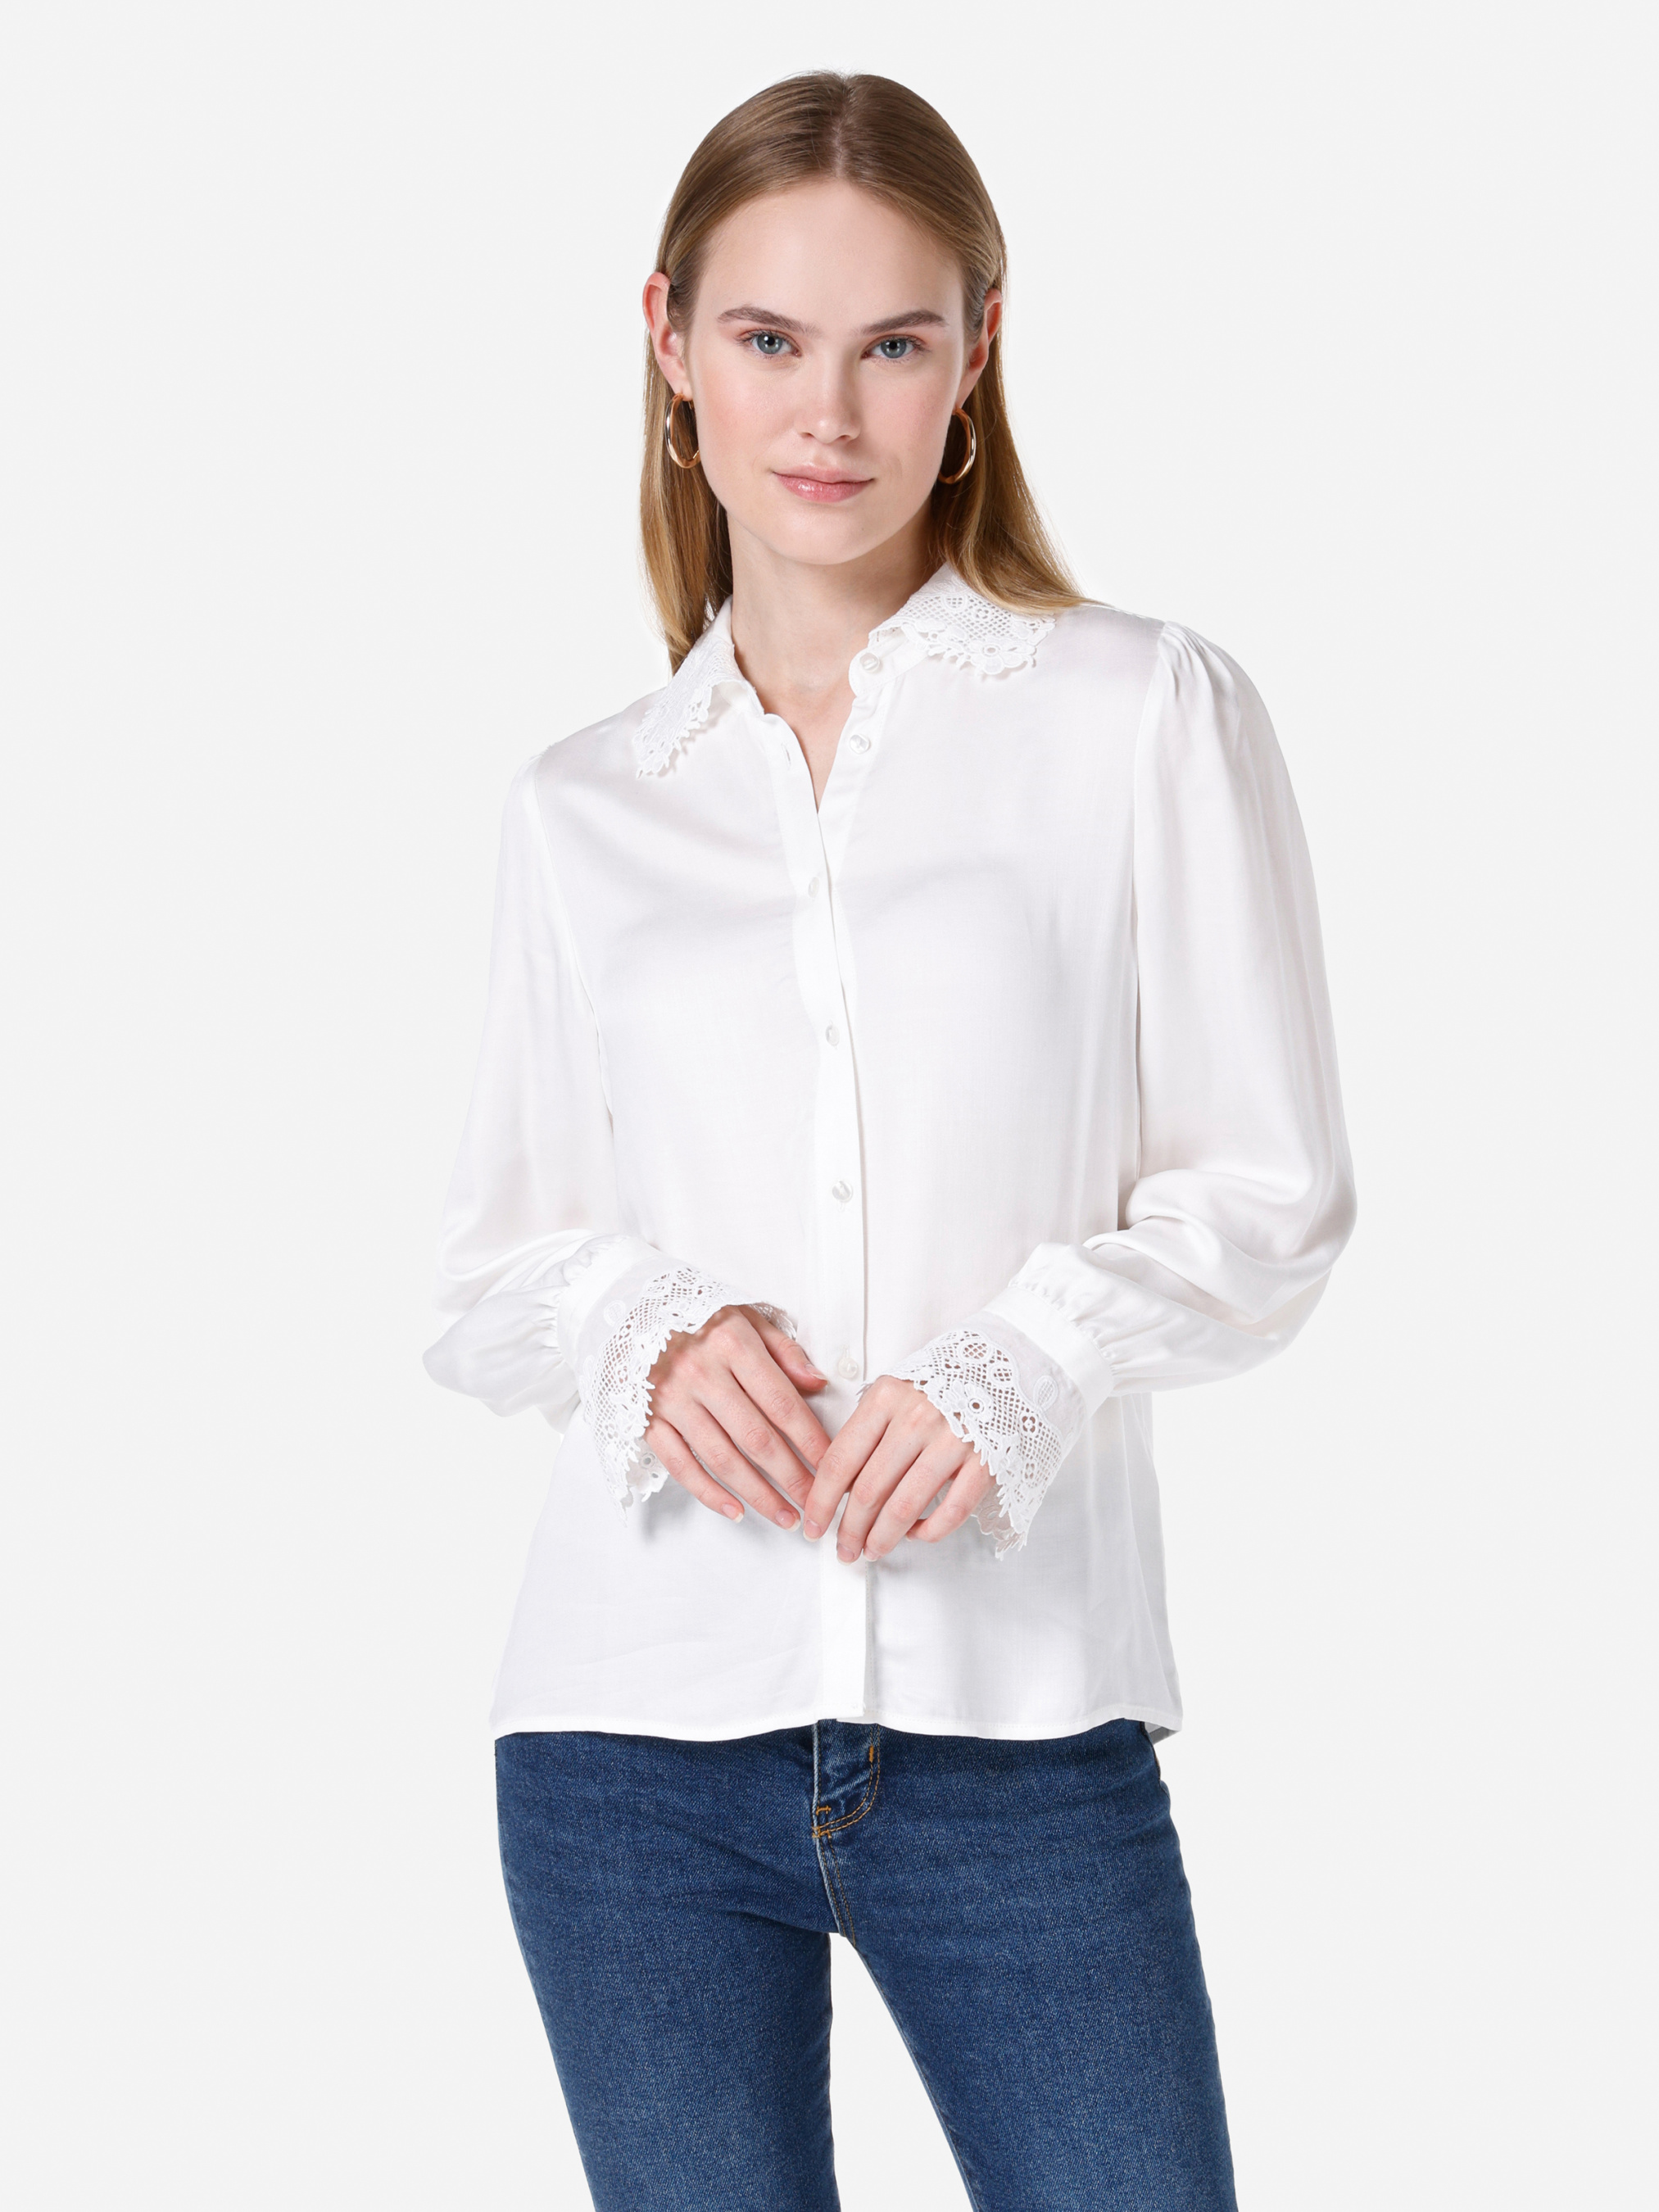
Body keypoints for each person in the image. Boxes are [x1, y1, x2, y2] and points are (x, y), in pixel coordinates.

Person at [423, 69, 1356, 2212]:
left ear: (978, 350)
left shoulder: (1141, 712)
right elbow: (486, 1274)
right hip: (626, 1744)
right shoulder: (586, 802)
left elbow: (1270, 1189)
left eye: (893, 342)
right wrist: (642, 1325)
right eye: (768, 337)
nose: (826, 413)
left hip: (1016, 1731)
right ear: (669, 342)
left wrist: (1026, 1355)